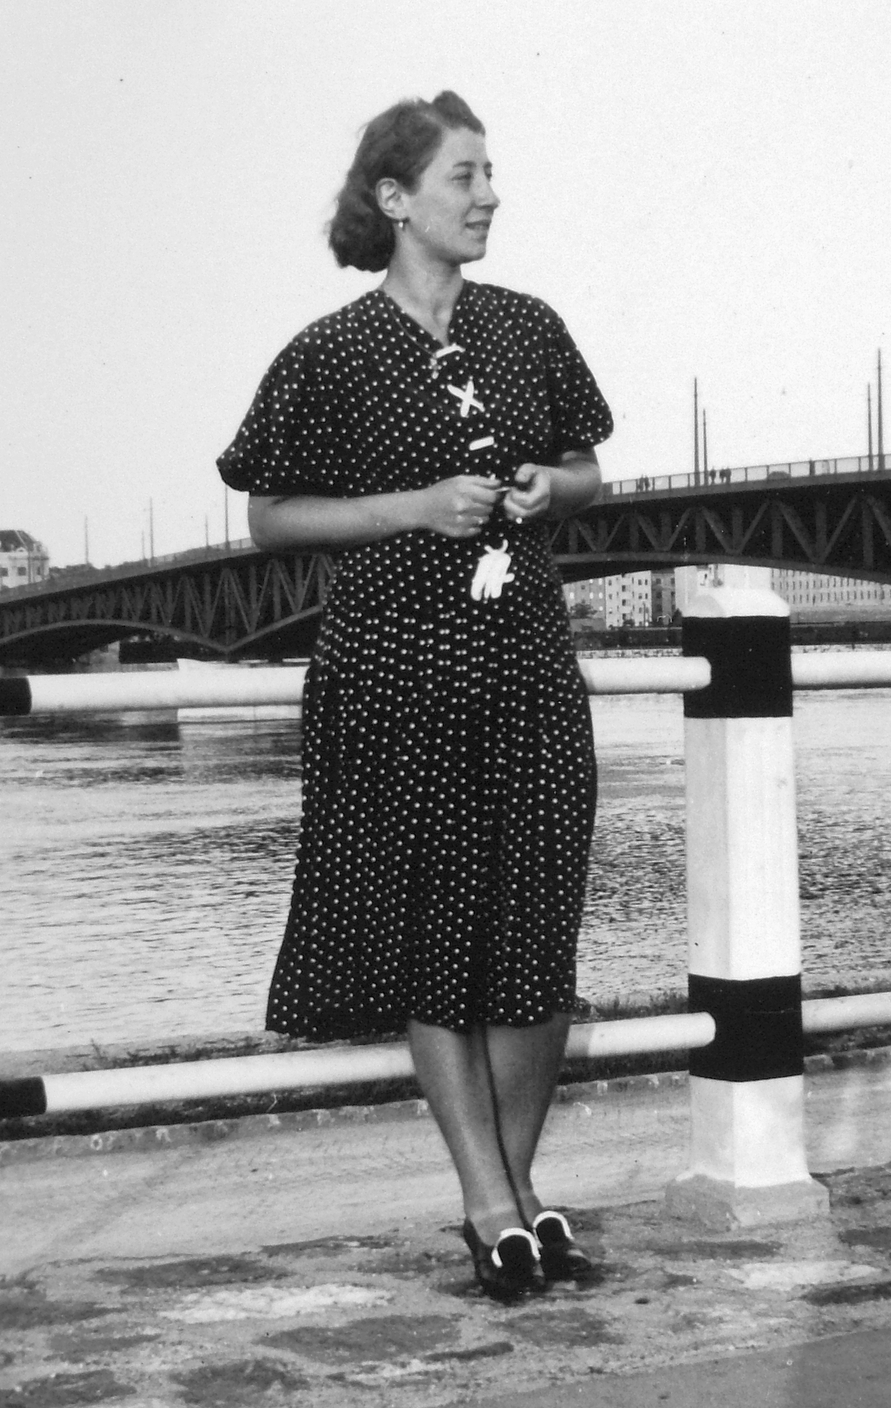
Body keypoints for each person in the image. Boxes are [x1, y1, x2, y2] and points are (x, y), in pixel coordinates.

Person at [217, 92, 612, 1300]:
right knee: (437, 941)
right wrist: (412, 507)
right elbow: (270, 514)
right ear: (395, 199)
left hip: (530, 668)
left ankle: (516, 1187)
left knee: (536, 943)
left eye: (491, 173)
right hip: (398, 674)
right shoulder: (330, 353)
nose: (488, 194)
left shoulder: (527, 327)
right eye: (463, 175)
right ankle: (494, 1206)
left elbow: (595, 461)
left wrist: (556, 482)